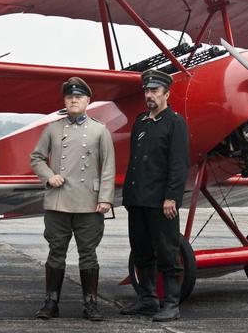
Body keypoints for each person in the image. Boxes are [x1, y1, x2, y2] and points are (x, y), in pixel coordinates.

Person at [30, 77, 115, 321]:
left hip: (89, 203)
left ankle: (91, 303)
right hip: (58, 201)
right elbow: (36, 158)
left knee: (88, 253)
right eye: (69, 97)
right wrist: (49, 176)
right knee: (56, 251)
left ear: (88, 101)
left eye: (78, 97)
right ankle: (51, 302)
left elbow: (108, 166)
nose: (74, 100)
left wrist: (106, 199)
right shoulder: (53, 129)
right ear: (65, 101)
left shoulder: (100, 130)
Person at [120, 69, 189, 322]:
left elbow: (179, 164)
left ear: (166, 94)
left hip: (161, 203)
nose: (149, 95)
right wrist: (129, 196)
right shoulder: (141, 121)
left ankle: (171, 303)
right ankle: (147, 299)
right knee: (141, 252)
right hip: (137, 199)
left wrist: (172, 196)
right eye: (147, 91)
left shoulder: (175, 122)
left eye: (154, 91)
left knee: (168, 254)